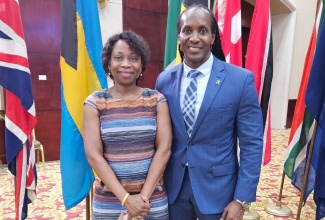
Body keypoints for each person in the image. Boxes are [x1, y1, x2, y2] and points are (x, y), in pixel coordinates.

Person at [156, 4, 263, 220]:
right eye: (187, 30)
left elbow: (252, 144)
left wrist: (241, 199)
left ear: (213, 37)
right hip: (174, 189)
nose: (194, 38)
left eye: (202, 31)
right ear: (179, 37)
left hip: (219, 193)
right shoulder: (164, 80)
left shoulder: (240, 81)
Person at [83, 30, 172, 220]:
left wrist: (141, 200)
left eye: (133, 58)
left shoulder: (156, 100)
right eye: (118, 57)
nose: (126, 64)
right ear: (108, 63)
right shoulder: (95, 102)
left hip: (151, 201)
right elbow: (94, 155)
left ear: (141, 65)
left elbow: (164, 149)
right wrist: (126, 200)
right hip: (110, 202)